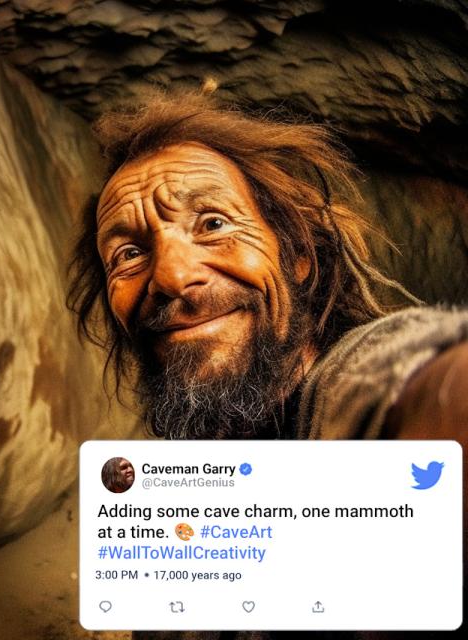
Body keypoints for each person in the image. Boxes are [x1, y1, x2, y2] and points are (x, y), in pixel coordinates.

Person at [67, 89, 468, 444]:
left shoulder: (352, 375)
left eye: (213, 224)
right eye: (129, 254)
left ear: (298, 256)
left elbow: (420, 381)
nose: (173, 277)